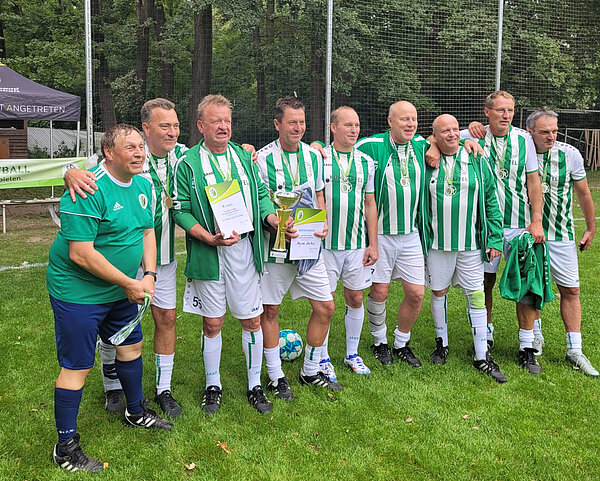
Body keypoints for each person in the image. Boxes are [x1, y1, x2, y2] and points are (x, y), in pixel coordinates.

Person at [48, 124, 172, 474]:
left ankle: (135, 411)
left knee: (131, 347)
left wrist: (148, 274)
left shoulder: (144, 185)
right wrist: (129, 283)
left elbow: (147, 232)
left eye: (140, 146)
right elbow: (81, 253)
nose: (139, 153)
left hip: (122, 288)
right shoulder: (87, 188)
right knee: (77, 366)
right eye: (129, 147)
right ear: (108, 152)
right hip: (78, 292)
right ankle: (65, 448)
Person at [64, 98, 187, 418]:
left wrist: (248, 151)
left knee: (165, 320)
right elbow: (82, 169)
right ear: (146, 128)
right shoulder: (120, 153)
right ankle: (112, 386)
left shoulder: (183, 155)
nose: (172, 132)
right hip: (119, 261)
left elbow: (214, 153)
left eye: (175, 125)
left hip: (160, 257)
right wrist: (69, 172)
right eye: (164, 126)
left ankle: (163, 389)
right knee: (115, 324)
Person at [172, 94, 279, 414]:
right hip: (209, 251)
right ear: (200, 126)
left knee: (252, 319)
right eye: (216, 121)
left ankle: (254, 385)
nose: (223, 126)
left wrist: (272, 218)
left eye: (227, 121)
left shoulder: (245, 157)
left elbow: (261, 194)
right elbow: (180, 209)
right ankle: (213, 385)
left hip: (244, 250)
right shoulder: (188, 163)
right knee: (213, 322)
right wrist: (207, 237)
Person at [456, 91, 546, 374]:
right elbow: (434, 138)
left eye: (510, 110)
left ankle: (527, 346)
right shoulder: (471, 135)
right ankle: (486, 335)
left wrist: (536, 220)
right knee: (484, 282)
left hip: (520, 225)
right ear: (487, 112)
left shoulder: (523, 140)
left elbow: (534, 182)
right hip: (485, 225)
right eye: (500, 110)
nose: (506, 115)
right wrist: (457, 139)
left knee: (526, 283)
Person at [257, 96, 341, 400]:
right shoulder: (262, 159)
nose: (298, 127)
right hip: (276, 247)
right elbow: (260, 201)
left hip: (309, 246)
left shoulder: (313, 156)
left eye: (302, 122)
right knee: (270, 310)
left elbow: (319, 195)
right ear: (277, 124)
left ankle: (310, 370)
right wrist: (276, 225)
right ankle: (276, 376)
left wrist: (324, 221)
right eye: (292, 122)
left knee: (326, 307)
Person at [423, 114, 506, 382]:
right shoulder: (426, 159)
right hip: (438, 243)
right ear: (435, 136)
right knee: (439, 292)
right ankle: (442, 343)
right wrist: (431, 145)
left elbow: (491, 200)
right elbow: (410, 140)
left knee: (477, 294)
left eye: (455, 129)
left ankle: (482, 355)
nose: (452, 134)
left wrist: (494, 238)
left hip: (471, 243)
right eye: (444, 131)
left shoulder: (477, 158)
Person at [525, 108, 598, 376]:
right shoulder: (520, 148)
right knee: (533, 289)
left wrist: (590, 228)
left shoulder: (570, 154)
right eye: (544, 132)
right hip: (530, 234)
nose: (551, 136)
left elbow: (584, 193)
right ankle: (535, 337)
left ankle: (574, 350)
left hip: (562, 234)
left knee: (572, 290)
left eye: (554, 131)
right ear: (530, 131)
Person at [317, 106, 378, 380]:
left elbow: (370, 203)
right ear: (333, 127)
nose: (354, 130)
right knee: (326, 302)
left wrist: (373, 244)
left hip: (356, 244)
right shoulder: (319, 158)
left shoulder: (366, 162)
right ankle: (322, 357)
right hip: (326, 246)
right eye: (347, 125)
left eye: (356, 125)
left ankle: (352, 354)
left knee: (355, 297)